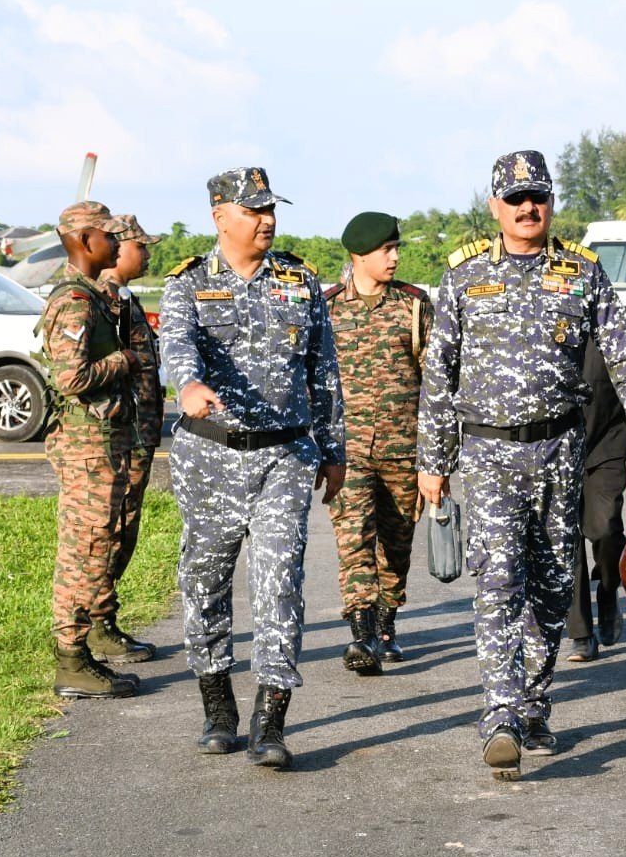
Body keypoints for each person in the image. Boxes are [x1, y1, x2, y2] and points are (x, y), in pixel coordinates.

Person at [417, 149, 626, 780]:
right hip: (489, 449)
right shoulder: (465, 277)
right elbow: (438, 375)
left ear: (551, 203)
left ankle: (533, 700)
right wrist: (434, 461)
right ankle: (499, 713)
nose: (530, 208)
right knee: (499, 579)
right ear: (495, 205)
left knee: (554, 584)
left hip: (560, 450)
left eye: (540, 197)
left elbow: (625, 356)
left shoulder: (582, 274)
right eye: (517, 198)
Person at [159, 167, 346, 769]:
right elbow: (177, 345)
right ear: (220, 216)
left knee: (278, 582)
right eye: (253, 210)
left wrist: (335, 449)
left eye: (270, 210)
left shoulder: (300, 281)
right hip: (208, 454)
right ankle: (218, 705)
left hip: (284, 456)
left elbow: (325, 372)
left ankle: (272, 720)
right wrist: (187, 384)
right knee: (205, 578)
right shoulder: (187, 284)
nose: (266, 220)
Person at [37, 200, 150, 700]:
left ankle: (82, 649)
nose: (117, 244)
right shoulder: (76, 301)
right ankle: (71, 659)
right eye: (108, 236)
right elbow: (71, 377)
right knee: (82, 552)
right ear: (85, 241)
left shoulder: (94, 297)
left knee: (97, 546)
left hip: (101, 444)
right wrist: (124, 361)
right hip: (86, 448)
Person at [324, 211, 434, 674]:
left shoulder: (413, 306)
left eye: (396, 248)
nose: (395, 257)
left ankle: (387, 621)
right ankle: (363, 633)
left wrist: (437, 454)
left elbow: (436, 379)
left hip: (403, 450)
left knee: (397, 544)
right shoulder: (327, 308)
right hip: (347, 452)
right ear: (359, 255)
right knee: (354, 541)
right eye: (386, 250)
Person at [91, 213, 167, 654]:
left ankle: (104, 617)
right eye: (141, 245)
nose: (148, 253)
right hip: (118, 435)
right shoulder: (103, 301)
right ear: (117, 248)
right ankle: (96, 622)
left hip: (138, 432)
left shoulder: (125, 298)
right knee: (110, 530)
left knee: (126, 528)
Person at [562, 304, 626, 663]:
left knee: (606, 529)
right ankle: (581, 633)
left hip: (606, 445)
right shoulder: (544, 315)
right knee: (565, 542)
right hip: (556, 446)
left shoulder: (624, 319)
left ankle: (610, 588)